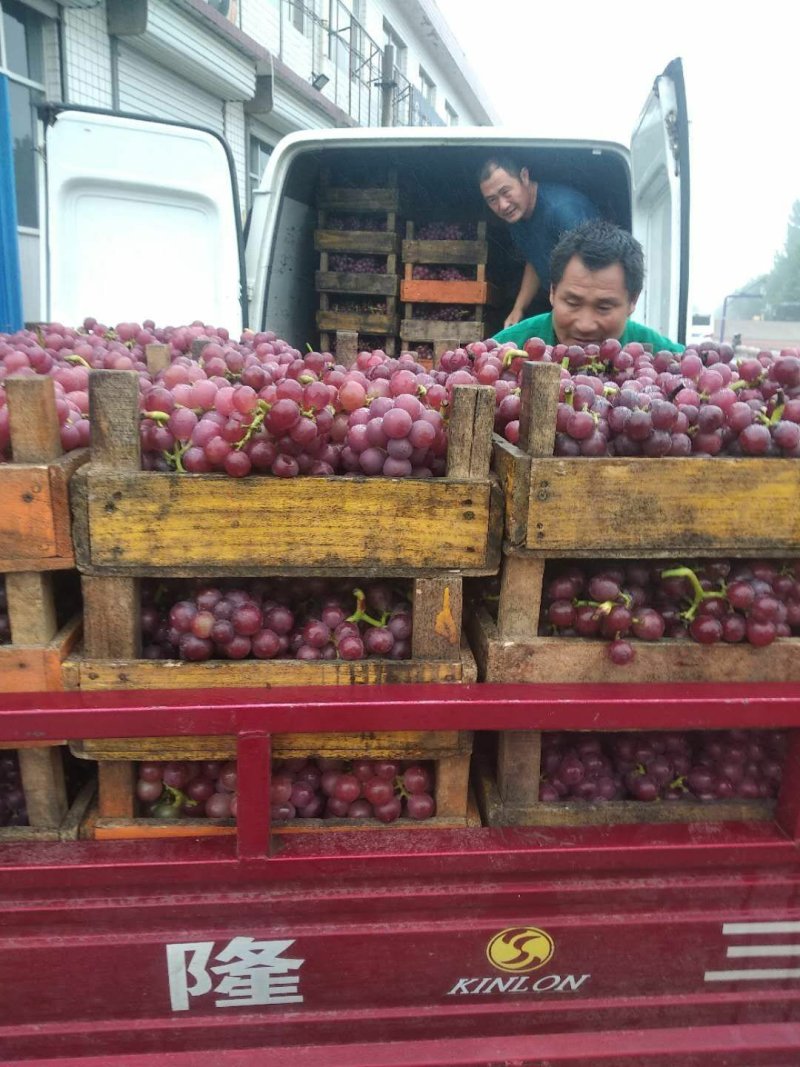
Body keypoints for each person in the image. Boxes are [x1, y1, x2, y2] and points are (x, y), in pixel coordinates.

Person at [492, 220, 684, 354]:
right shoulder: (508, 346)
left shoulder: (661, 354)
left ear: (633, 301)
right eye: (572, 302)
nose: (585, 325)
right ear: (552, 292)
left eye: (603, 307)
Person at [479, 157, 601, 328]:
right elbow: (535, 259)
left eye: (506, 191)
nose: (503, 205)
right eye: (492, 200)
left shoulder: (563, 211)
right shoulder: (517, 217)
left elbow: (592, 271)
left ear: (524, 176)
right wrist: (518, 309)